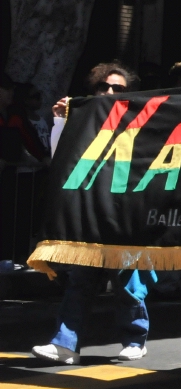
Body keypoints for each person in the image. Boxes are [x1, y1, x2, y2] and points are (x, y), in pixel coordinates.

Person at [33, 62, 154, 365]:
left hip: (124, 214)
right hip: (90, 215)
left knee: (128, 282)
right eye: (104, 86)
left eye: (118, 88)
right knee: (80, 281)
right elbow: (62, 156)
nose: (110, 92)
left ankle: (135, 339)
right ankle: (65, 345)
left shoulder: (141, 121)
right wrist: (61, 121)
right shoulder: (83, 119)